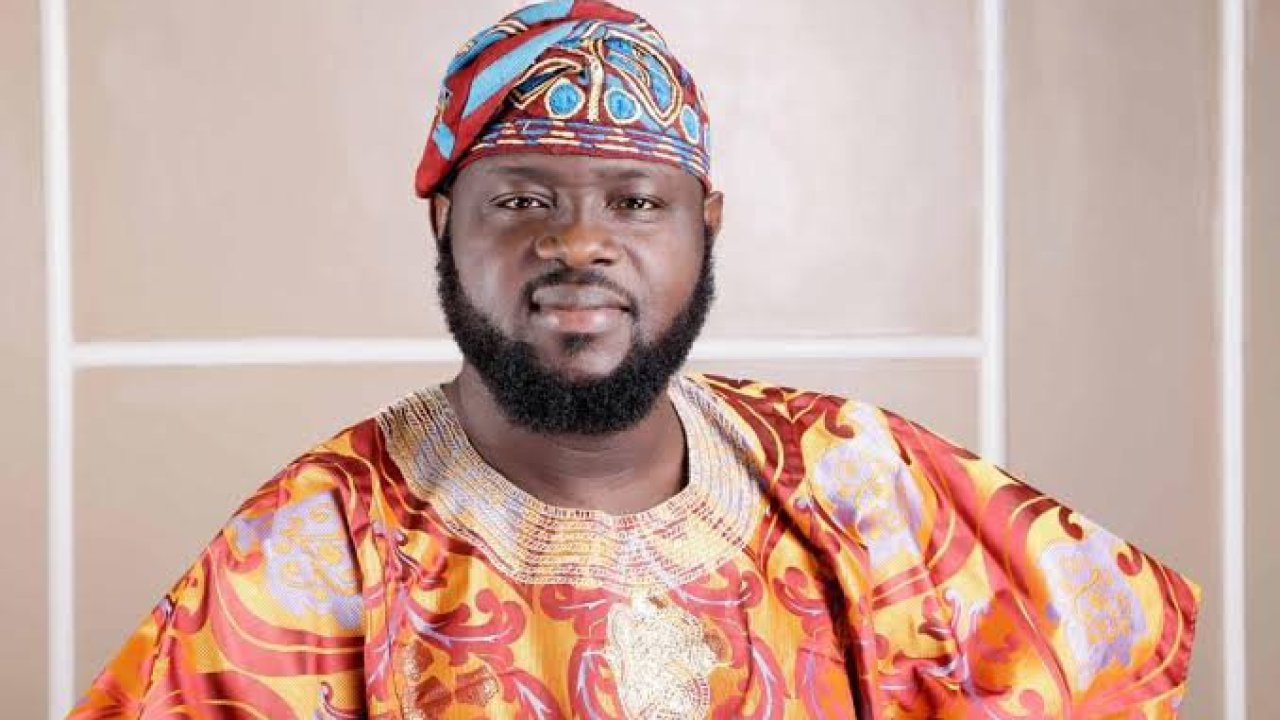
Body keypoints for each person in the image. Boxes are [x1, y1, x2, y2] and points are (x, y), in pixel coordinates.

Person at [69, 2, 1199, 718]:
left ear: (707, 224)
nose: (577, 243)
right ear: (444, 227)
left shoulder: (860, 479)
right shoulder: (316, 543)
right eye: (521, 200)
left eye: (635, 201)